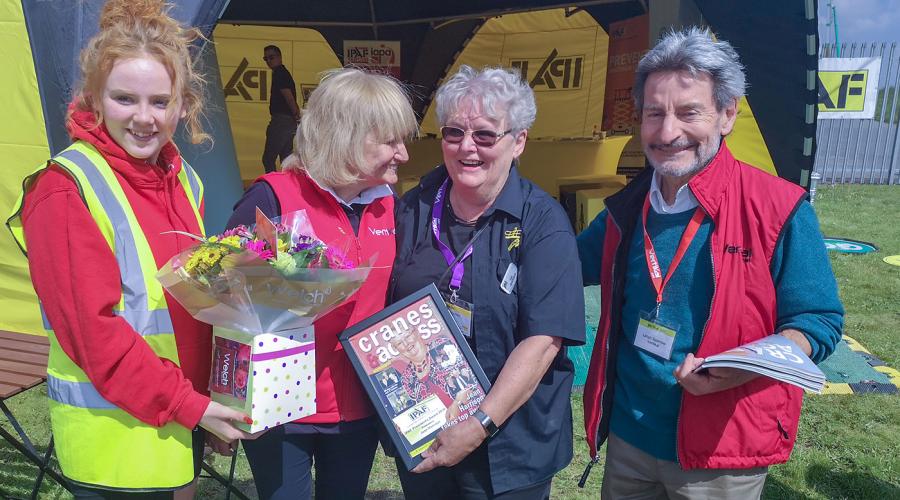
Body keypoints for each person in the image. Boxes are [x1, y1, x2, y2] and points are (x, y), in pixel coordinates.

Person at [577, 28, 844, 498]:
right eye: (654, 114)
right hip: (629, 440)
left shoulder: (778, 208)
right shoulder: (627, 209)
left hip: (719, 453)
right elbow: (562, 264)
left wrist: (746, 366)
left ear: (727, 114)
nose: (667, 132)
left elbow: (817, 322)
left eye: (688, 113)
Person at [5, 0, 255, 497]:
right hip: (116, 449)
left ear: (183, 104)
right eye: (124, 99)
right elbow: (94, 336)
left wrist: (211, 398)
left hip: (180, 429)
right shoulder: (64, 189)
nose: (145, 119)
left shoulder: (184, 179)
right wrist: (194, 407)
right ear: (94, 99)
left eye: (160, 102)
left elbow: (190, 305)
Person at [390, 65, 585, 499]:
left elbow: (543, 341)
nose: (466, 148)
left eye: (484, 135)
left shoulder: (542, 223)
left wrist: (478, 425)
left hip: (509, 442)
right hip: (425, 428)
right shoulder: (412, 209)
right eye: (453, 133)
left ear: (518, 142)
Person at [225, 67, 417, 500]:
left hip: (360, 405)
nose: (403, 154)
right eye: (389, 141)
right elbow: (227, 303)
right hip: (282, 404)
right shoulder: (271, 197)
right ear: (345, 136)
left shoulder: (390, 205)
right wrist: (228, 402)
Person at [262, 44, 301, 173]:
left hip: (282, 121)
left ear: (279, 57)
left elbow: (288, 97)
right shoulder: (281, 73)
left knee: (268, 159)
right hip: (288, 121)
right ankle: (287, 188)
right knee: (286, 159)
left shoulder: (280, 73)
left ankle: (273, 188)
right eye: (266, 58)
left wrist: (297, 115)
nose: (268, 61)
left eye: (271, 57)